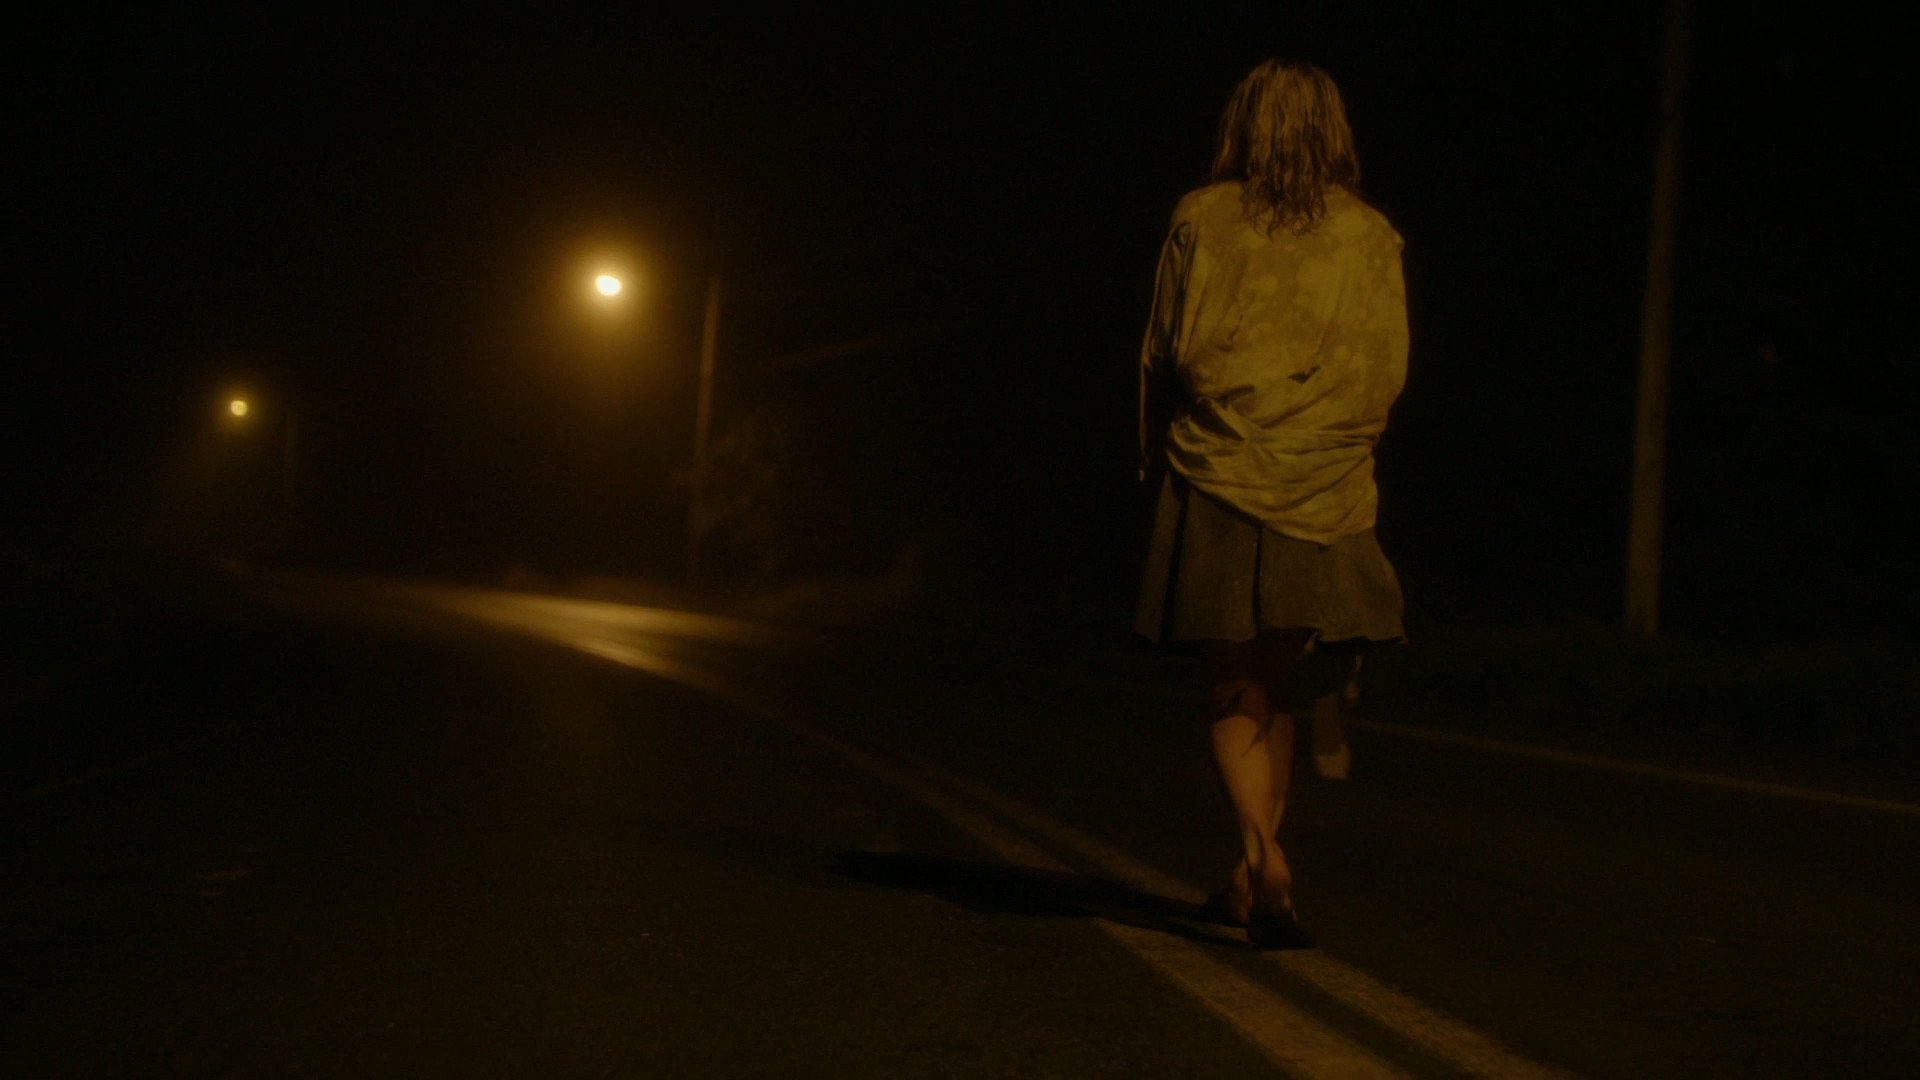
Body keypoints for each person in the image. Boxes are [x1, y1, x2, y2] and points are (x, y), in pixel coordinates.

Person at [1133, 59, 1408, 948]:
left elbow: (1165, 349)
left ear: (1243, 125)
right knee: (1277, 683)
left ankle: (1262, 852)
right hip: (1325, 489)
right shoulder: (1371, 236)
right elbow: (1387, 371)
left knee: (1232, 681)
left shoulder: (1201, 217)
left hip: (1219, 474)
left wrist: (1153, 451)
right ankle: (1250, 882)